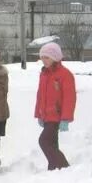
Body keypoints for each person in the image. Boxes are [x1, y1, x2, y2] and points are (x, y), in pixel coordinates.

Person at [34, 42, 76, 171]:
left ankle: (64, 166)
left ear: (55, 57)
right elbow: (40, 95)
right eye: (42, 58)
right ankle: (53, 168)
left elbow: (70, 98)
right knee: (52, 143)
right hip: (46, 116)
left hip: (56, 116)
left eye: (47, 57)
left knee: (44, 141)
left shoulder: (64, 74)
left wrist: (65, 118)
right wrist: (39, 114)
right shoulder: (44, 74)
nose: (44, 61)